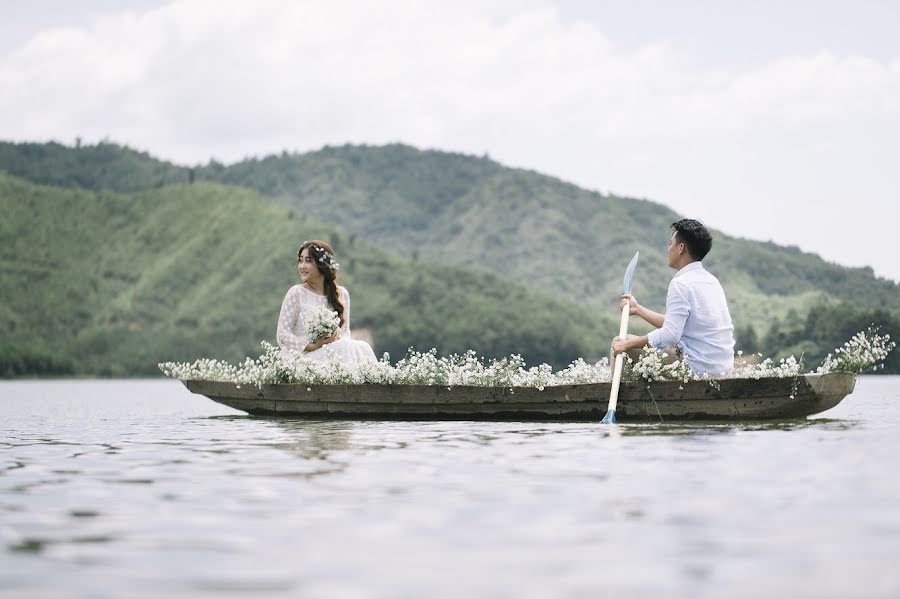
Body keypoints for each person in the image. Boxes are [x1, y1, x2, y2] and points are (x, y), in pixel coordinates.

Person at [612, 219, 735, 376]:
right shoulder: (712, 281)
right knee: (633, 345)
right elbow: (676, 325)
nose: (668, 249)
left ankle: (620, 401)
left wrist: (628, 344)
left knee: (619, 341)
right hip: (722, 369)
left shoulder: (681, 283)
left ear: (681, 248)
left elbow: (670, 334)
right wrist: (637, 309)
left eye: (671, 244)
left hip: (695, 368)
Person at [277, 240, 377, 366]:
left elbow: (345, 333)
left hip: (332, 352)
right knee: (345, 346)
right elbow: (282, 334)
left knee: (364, 347)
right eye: (300, 260)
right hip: (303, 358)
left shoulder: (341, 294)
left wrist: (333, 340)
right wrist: (311, 346)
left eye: (308, 261)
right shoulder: (296, 293)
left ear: (322, 265)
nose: (302, 266)